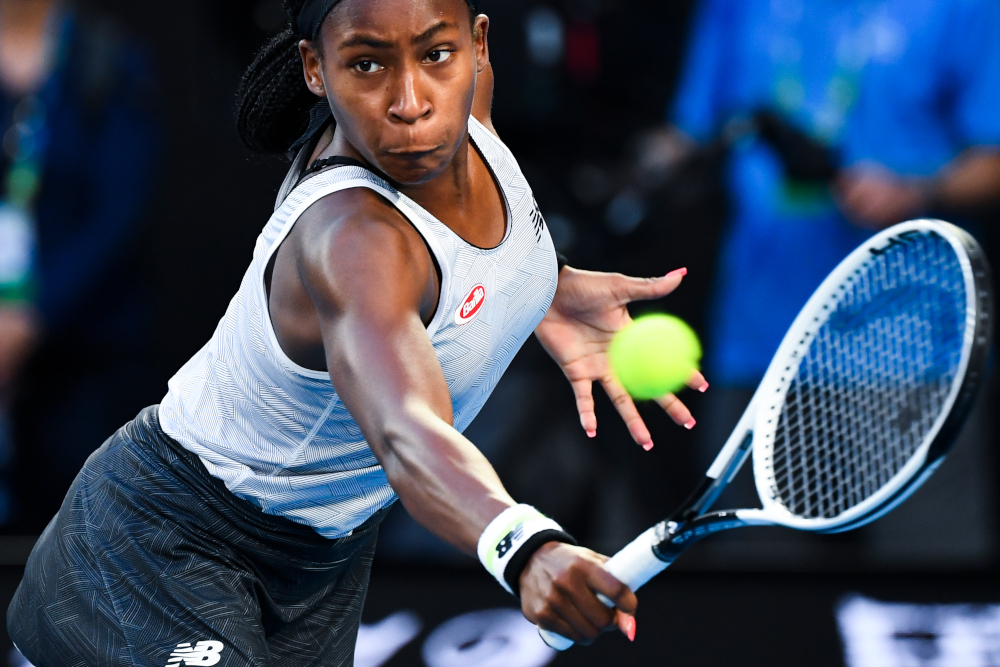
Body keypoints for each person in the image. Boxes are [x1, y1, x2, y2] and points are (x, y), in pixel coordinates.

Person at [7, 0, 707, 663]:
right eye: (368, 64)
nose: (410, 101)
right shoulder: (351, 237)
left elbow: (466, 263)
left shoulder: (469, 113)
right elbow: (406, 430)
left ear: (479, 46)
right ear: (316, 68)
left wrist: (544, 288)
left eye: (436, 54)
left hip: (321, 560)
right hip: (160, 545)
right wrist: (524, 547)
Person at [665, 0, 1000, 563]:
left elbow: (993, 154)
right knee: (755, 593)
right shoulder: (733, 7)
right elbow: (689, 133)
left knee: (928, 587)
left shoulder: (967, 7)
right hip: (759, 349)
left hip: (914, 354)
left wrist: (918, 191)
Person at [0, 0, 158, 532]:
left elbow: (119, 212)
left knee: (77, 525)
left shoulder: (106, 58)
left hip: (84, 350)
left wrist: (32, 318)